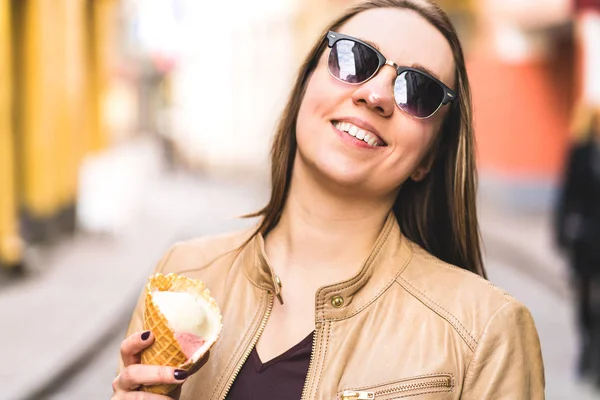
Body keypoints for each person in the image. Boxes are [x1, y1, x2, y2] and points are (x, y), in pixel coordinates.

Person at [112, 1, 545, 399]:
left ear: (429, 157)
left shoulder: (486, 330)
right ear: (304, 86)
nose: (375, 95)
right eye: (355, 58)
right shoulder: (184, 274)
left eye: (418, 90)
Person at [555, 108, 600, 382]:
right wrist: (561, 232)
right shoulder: (580, 151)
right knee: (583, 298)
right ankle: (587, 345)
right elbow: (567, 193)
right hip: (584, 240)